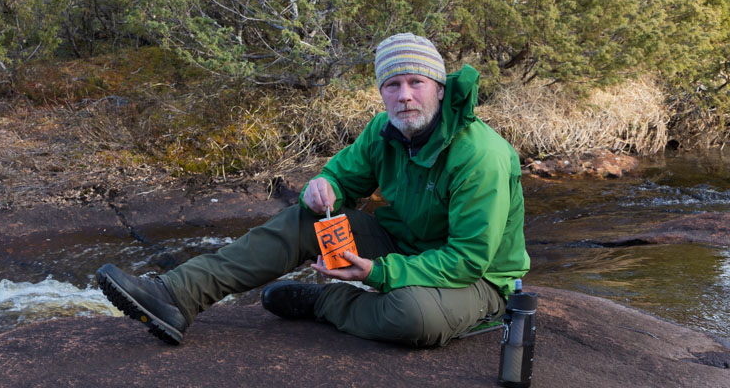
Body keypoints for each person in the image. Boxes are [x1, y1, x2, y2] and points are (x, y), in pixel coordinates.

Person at [96, 33, 530, 348]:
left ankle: (324, 302)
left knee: (412, 315)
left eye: (416, 83)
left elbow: (468, 260)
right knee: (307, 219)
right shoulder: (385, 130)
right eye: (392, 85)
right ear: (381, 93)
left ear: (439, 87)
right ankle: (176, 294)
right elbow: (342, 177)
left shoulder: (480, 157)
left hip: (480, 279)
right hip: (405, 243)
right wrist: (324, 187)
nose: (405, 96)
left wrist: (380, 274)